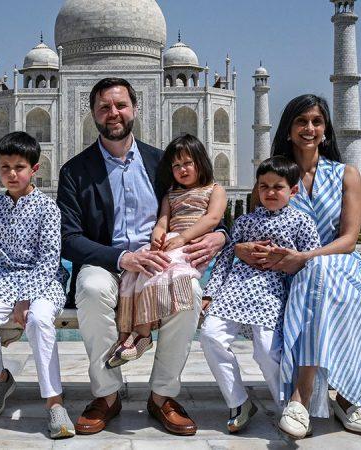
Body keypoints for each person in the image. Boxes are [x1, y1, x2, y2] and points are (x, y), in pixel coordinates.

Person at [56, 78, 227, 436]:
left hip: (159, 260)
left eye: (120, 105)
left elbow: (200, 201)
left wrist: (220, 235)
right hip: (107, 262)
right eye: (105, 107)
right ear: (92, 113)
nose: (113, 113)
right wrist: (123, 258)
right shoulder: (75, 171)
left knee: (190, 293)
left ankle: (162, 396)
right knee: (90, 288)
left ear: (135, 108)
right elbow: (69, 239)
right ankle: (107, 395)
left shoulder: (161, 162)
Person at [236, 94, 361, 439]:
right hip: (284, 275)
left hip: (338, 267)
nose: (309, 128)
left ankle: (301, 396)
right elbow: (254, 229)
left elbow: (349, 239)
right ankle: (349, 399)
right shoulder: (273, 177)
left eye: (317, 122)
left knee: (318, 273)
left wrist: (306, 258)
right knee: (318, 279)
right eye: (301, 121)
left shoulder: (346, 175)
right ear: (288, 129)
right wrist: (242, 248)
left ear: (326, 130)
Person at [0, 131, 75, 440]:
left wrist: (26, 299)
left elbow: (49, 260)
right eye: (5, 167)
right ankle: (0, 379)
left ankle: (54, 401)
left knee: (38, 320)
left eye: (19, 167)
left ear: (34, 169)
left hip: (45, 281)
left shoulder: (47, 208)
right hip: (6, 281)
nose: (12, 174)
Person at [199, 155, 321, 434]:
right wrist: (210, 293)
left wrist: (289, 263)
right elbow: (225, 259)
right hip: (236, 289)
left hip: (271, 293)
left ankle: (291, 410)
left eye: (278, 187)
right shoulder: (245, 221)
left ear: (293, 190)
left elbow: (312, 262)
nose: (270, 193)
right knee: (210, 336)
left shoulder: (301, 222)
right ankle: (239, 402)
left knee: (267, 351)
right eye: (264, 186)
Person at [107, 134, 227, 368]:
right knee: (137, 271)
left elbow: (212, 219)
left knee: (155, 270)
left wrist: (182, 238)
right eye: (176, 165)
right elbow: (163, 221)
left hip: (191, 246)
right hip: (172, 243)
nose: (182, 169)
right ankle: (131, 334)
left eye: (188, 163)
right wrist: (157, 235)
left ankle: (142, 333)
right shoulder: (171, 194)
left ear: (201, 162)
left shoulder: (215, 190)